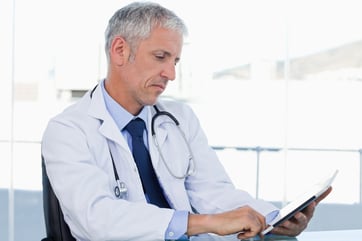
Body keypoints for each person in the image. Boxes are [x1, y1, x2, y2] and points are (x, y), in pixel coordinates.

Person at [41, 2, 332, 241]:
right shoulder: (68, 131)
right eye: (160, 57)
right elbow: (96, 219)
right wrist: (203, 223)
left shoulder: (179, 119)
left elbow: (212, 191)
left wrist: (272, 219)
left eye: (175, 61)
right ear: (120, 51)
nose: (171, 74)